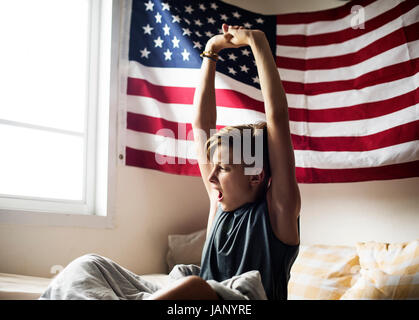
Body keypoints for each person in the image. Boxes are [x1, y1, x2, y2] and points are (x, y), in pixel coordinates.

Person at [147, 24, 301, 300]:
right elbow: (201, 124)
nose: (211, 176)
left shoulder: (278, 211)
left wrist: (257, 41)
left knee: (194, 285)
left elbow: (277, 117)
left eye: (225, 168)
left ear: (255, 175)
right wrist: (211, 51)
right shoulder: (218, 203)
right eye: (215, 166)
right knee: (91, 266)